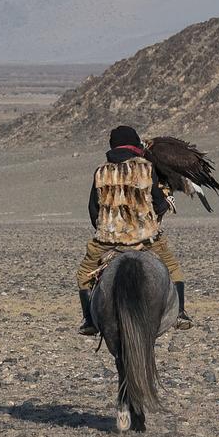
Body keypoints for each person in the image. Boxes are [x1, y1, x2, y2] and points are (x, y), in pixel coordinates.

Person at [77, 125, 191, 335]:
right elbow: (158, 203)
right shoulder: (146, 169)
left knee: (84, 275)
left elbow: (93, 209)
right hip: (145, 239)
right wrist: (159, 211)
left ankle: (89, 321)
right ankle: (181, 314)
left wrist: (107, 230)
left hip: (108, 240)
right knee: (174, 269)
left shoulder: (101, 172)